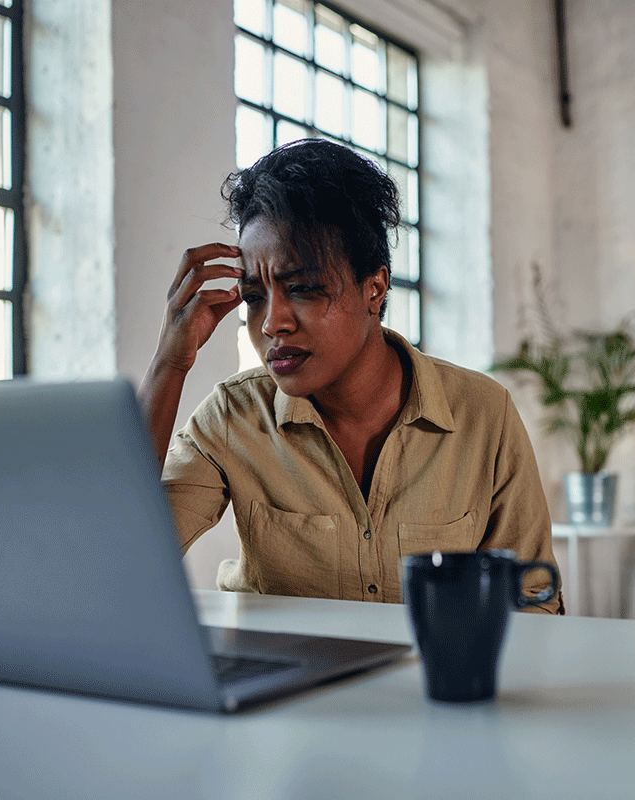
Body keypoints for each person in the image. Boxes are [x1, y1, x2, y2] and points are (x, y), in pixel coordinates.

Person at [138, 139, 563, 613]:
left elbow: (534, 604)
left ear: (374, 289)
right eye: (255, 296)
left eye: (301, 289)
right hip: (286, 685)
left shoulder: (483, 415)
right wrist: (169, 364)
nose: (272, 323)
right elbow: (123, 560)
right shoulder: (233, 418)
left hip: (434, 684)